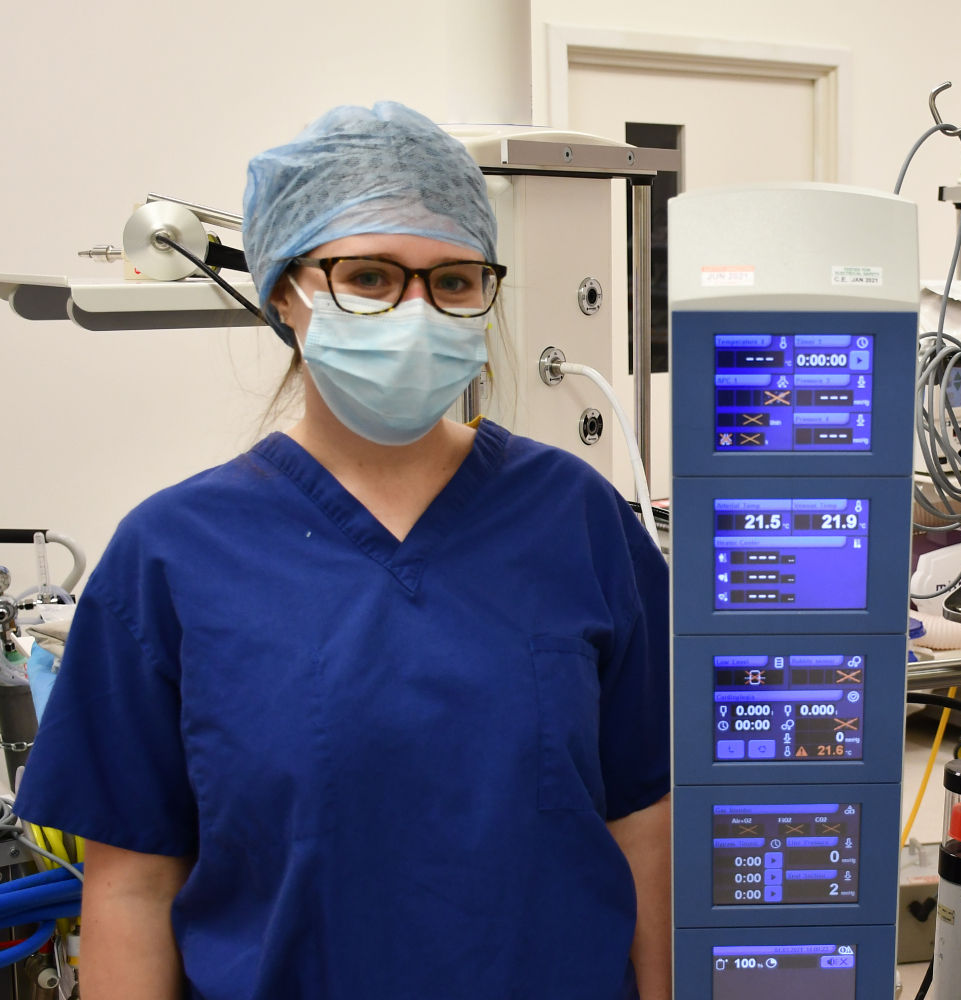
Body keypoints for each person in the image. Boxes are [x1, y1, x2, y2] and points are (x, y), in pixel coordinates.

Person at [15, 102, 671, 999]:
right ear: (285, 291)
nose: (415, 308)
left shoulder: (578, 519)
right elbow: (132, 887)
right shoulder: (170, 556)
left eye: (452, 280)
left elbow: (647, 825)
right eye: (367, 276)